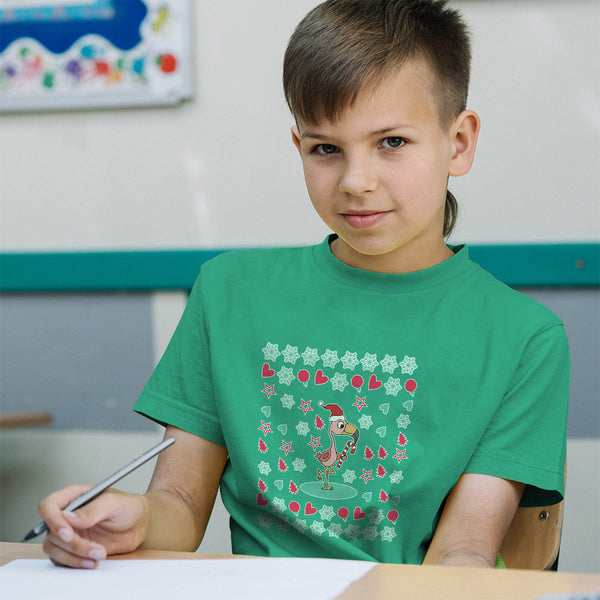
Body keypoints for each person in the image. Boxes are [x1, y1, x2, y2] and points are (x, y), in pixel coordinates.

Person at [38, 0, 569, 570]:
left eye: (391, 142)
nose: (355, 181)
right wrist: (135, 518)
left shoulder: (524, 338)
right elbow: (180, 505)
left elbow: (462, 552)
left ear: (458, 143)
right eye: (326, 148)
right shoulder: (228, 292)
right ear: (300, 148)